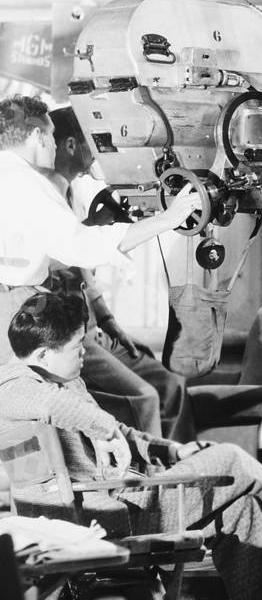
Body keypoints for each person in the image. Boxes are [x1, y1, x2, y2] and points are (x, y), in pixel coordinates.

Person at [0, 292, 262, 600]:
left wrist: (173, 452)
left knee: (239, 507)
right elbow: (68, 411)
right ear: (44, 354)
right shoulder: (14, 386)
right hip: (95, 518)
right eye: (76, 346)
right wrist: (107, 430)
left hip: (113, 505)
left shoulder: (63, 379)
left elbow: (123, 433)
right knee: (229, 458)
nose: (84, 352)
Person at [0, 95, 202, 363]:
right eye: (51, 135)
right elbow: (82, 247)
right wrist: (168, 219)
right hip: (14, 303)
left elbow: (49, 250)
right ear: (38, 135)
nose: (53, 144)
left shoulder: (9, 175)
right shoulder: (28, 184)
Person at [45, 105, 194, 441]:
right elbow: (69, 256)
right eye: (92, 142)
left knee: (170, 385)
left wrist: (108, 320)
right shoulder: (43, 197)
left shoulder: (73, 193)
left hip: (94, 327)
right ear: (70, 145)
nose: (99, 152)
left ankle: (183, 465)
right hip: (68, 334)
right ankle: (153, 481)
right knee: (144, 398)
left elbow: (83, 270)